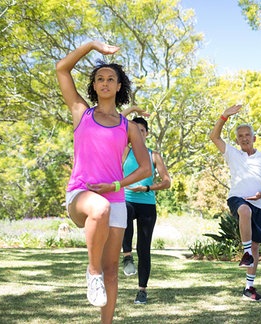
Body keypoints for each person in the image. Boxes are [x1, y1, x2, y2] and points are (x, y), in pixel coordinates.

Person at [56, 41, 151, 324]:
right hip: (81, 195)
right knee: (99, 210)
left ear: (119, 86)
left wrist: (116, 186)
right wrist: (92, 45)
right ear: (94, 86)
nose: (105, 82)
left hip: (116, 199)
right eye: (100, 79)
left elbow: (145, 167)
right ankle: (91, 272)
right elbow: (62, 69)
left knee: (112, 270)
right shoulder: (81, 113)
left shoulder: (129, 127)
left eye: (111, 79)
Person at [209, 104, 261, 302]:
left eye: (247, 135)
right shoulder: (233, 154)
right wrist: (224, 116)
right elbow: (214, 137)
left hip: (260, 205)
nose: (244, 138)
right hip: (238, 199)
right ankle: (245, 252)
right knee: (244, 211)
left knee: (256, 247)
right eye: (240, 136)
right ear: (237, 140)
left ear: (254, 138)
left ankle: (249, 288)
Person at [119, 108, 172, 305]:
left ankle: (142, 290)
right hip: (127, 199)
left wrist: (148, 187)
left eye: (142, 131)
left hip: (147, 203)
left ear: (147, 134)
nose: (139, 134)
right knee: (124, 210)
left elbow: (167, 182)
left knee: (144, 248)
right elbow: (115, 122)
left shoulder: (154, 155)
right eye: (135, 130)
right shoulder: (125, 151)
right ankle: (126, 256)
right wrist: (131, 110)